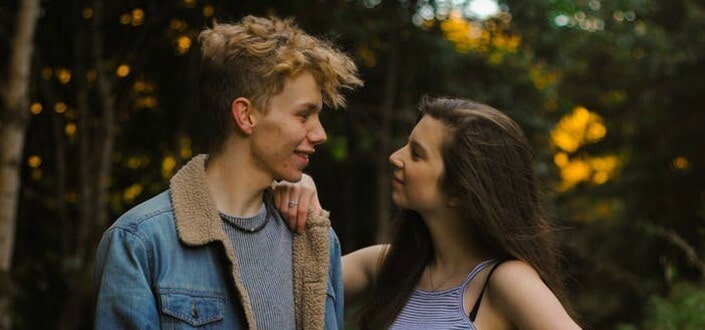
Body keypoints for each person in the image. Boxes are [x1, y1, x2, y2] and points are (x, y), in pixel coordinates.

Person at [94, 15, 363, 329]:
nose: (320, 134)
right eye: (304, 115)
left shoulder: (316, 240)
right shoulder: (140, 243)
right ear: (245, 115)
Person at [275, 96, 581, 329]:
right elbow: (270, 288)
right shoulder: (387, 266)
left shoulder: (506, 281)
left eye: (417, 154)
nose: (396, 157)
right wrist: (296, 180)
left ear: (460, 191)